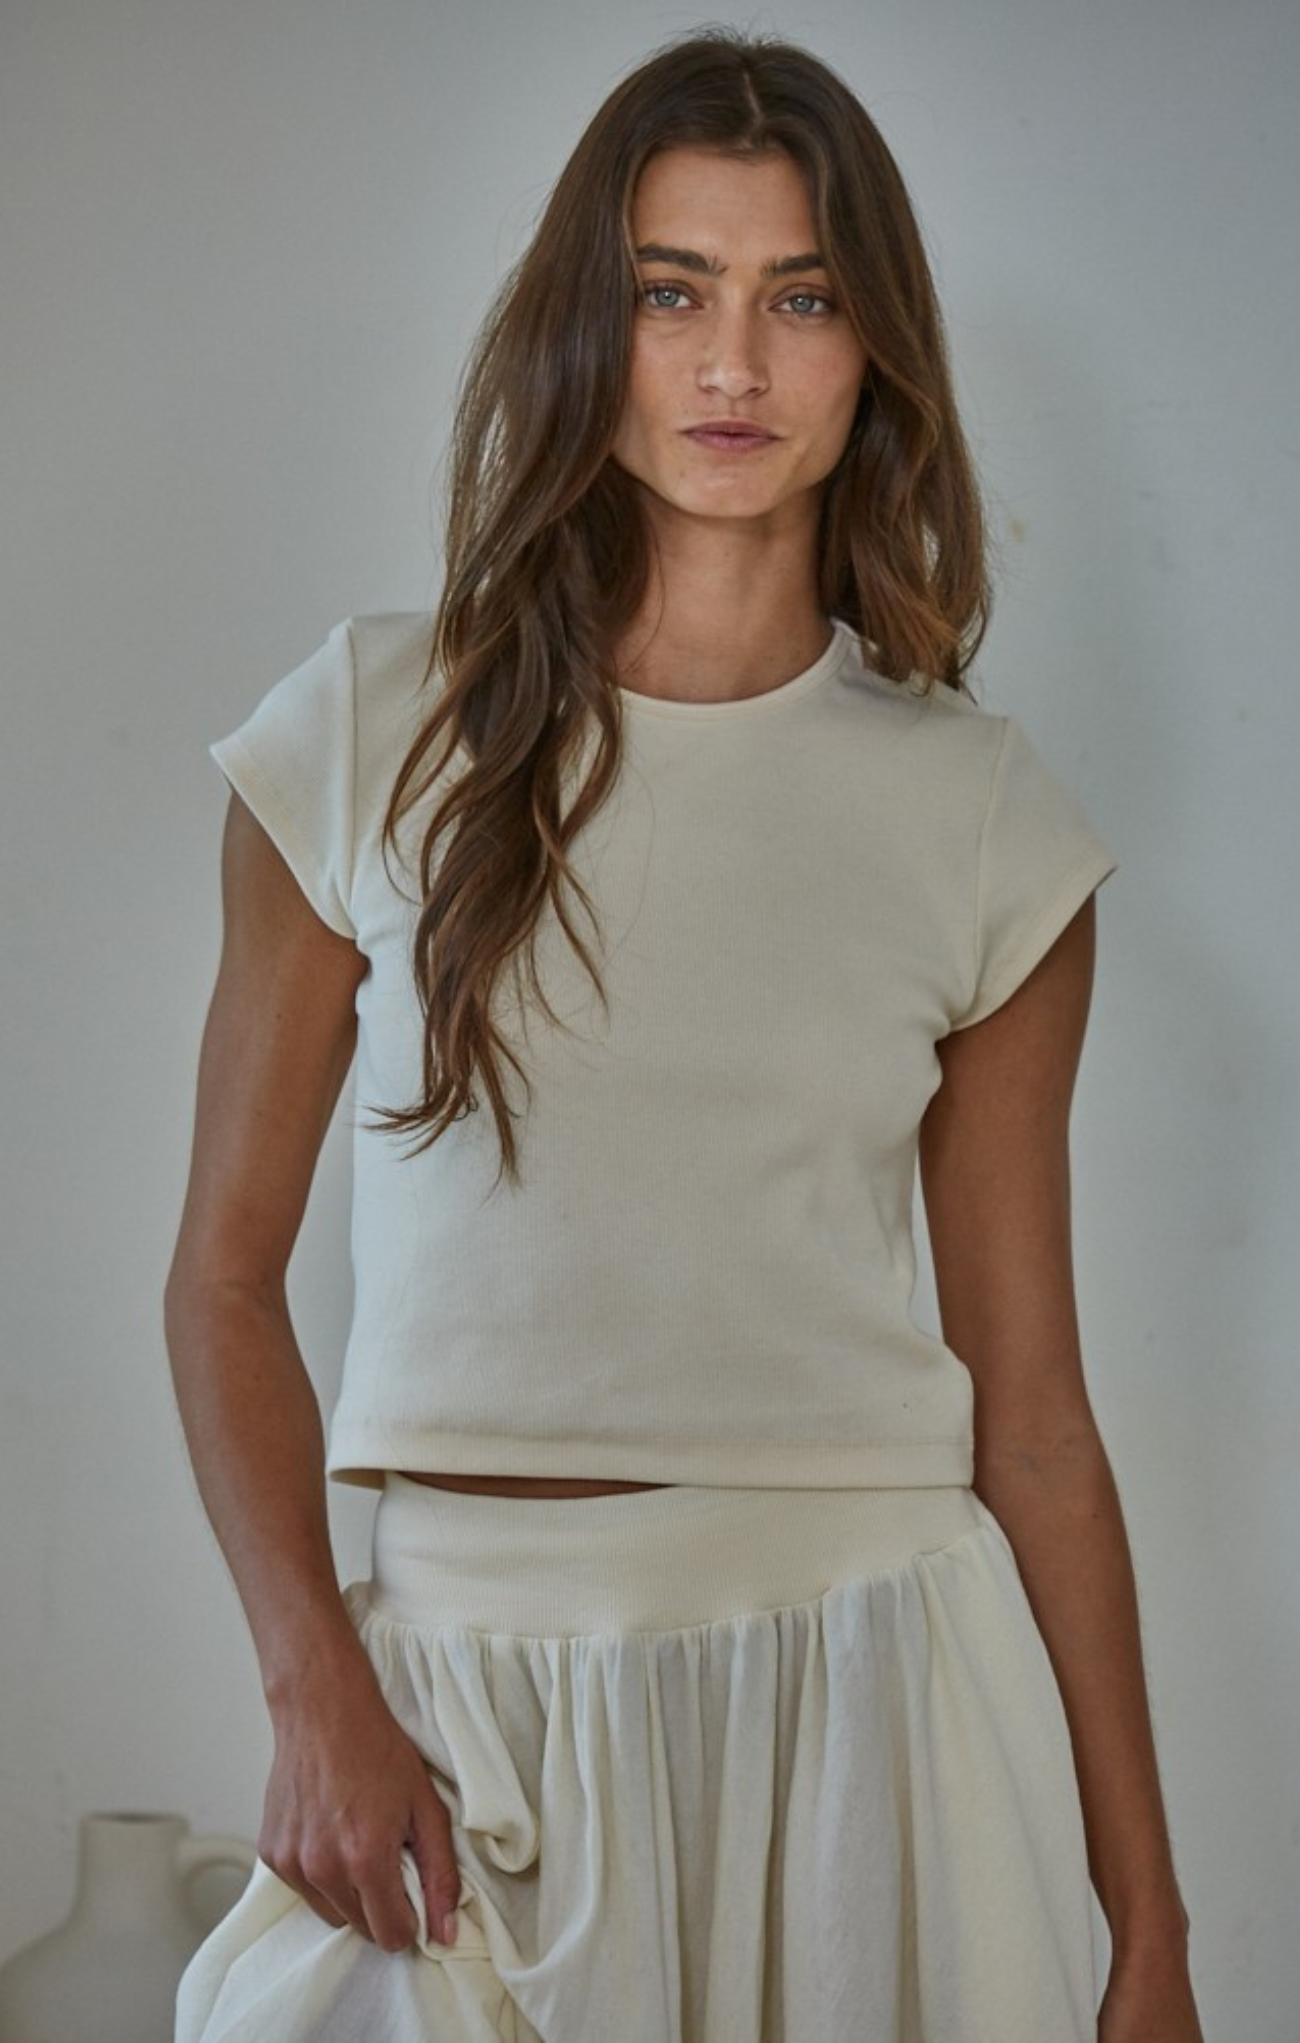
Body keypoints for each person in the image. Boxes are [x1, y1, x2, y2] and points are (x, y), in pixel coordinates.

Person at [165, 28, 1204, 2043]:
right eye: (670, 291)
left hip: (875, 1701)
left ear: (871, 349)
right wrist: (315, 1680)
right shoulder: (371, 733)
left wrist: (1144, 1925)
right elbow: (219, 1277)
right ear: (592, 325)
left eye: (798, 297)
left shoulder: (981, 822)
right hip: (460, 1694)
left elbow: (1037, 1414)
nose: (731, 364)